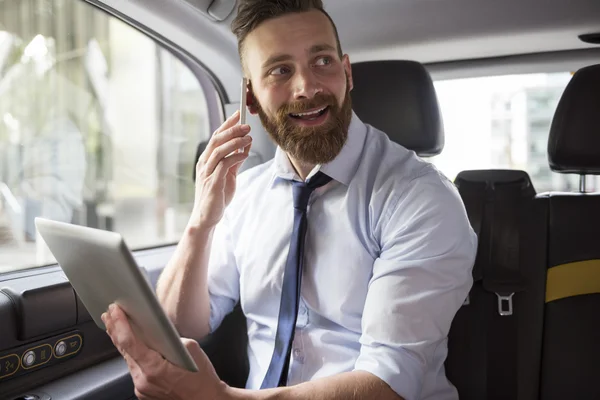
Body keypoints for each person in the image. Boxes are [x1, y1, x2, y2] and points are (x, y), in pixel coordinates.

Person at [101, 1, 477, 399]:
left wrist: (220, 399)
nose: (307, 87)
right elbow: (185, 324)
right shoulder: (245, 194)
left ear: (346, 73)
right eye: (281, 70)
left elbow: (388, 384)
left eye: (323, 61)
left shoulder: (421, 198)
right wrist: (202, 221)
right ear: (250, 97)